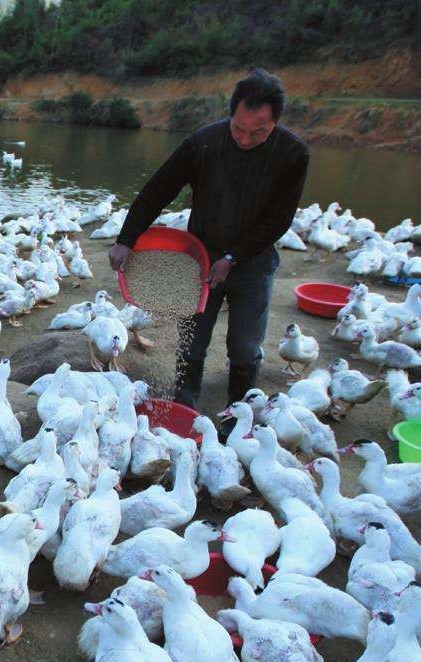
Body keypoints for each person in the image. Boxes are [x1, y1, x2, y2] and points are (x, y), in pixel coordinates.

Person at [107, 68, 309, 411]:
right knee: (192, 340)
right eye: (238, 128)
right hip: (200, 257)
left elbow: (279, 219)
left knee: (245, 345)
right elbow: (158, 190)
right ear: (231, 115)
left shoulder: (292, 154)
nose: (245, 139)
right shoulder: (203, 143)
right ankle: (185, 407)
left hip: (253, 260)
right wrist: (126, 239)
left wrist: (233, 258)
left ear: (275, 123)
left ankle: (238, 413)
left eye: (258, 132)